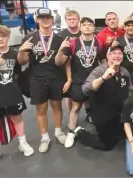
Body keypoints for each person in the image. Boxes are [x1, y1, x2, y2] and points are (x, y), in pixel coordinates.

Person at [17, 8, 67, 153]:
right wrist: (21, 50)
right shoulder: (29, 38)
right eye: (42, 17)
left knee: (57, 106)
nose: (45, 20)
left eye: (48, 17)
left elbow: (61, 62)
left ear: (53, 20)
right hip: (37, 78)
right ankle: (45, 137)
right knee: (41, 109)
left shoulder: (59, 39)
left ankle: (58, 132)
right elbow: (22, 61)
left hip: (56, 77)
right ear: (37, 20)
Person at [55, 17, 105, 148]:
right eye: (85, 25)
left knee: (97, 107)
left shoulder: (99, 43)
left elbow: (103, 60)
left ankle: (100, 131)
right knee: (76, 107)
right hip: (78, 81)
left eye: (90, 25)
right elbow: (59, 62)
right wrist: (60, 50)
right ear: (80, 27)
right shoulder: (72, 43)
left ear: (94, 28)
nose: (87, 27)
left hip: (94, 81)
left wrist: (106, 74)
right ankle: (71, 132)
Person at [0, 25, 34, 161]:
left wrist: (22, 51)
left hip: (13, 93)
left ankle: (23, 144)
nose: (0, 39)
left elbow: (19, 70)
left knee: (18, 119)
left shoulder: (13, 53)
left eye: (3, 36)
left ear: (8, 37)